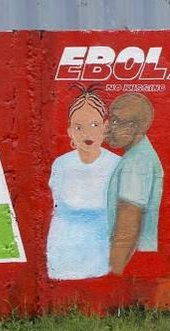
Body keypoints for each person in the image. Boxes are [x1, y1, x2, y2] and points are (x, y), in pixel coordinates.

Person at [46, 87, 119, 279]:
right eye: (79, 127)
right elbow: (56, 201)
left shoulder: (116, 165)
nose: (87, 133)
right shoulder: (61, 164)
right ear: (70, 131)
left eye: (94, 125)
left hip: (100, 253)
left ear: (106, 127)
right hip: (62, 249)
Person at [105, 93, 163, 275]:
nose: (108, 128)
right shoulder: (140, 155)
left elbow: (127, 228)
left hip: (130, 262)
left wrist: (113, 276)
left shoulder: (137, 162)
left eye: (115, 122)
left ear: (132, 127)